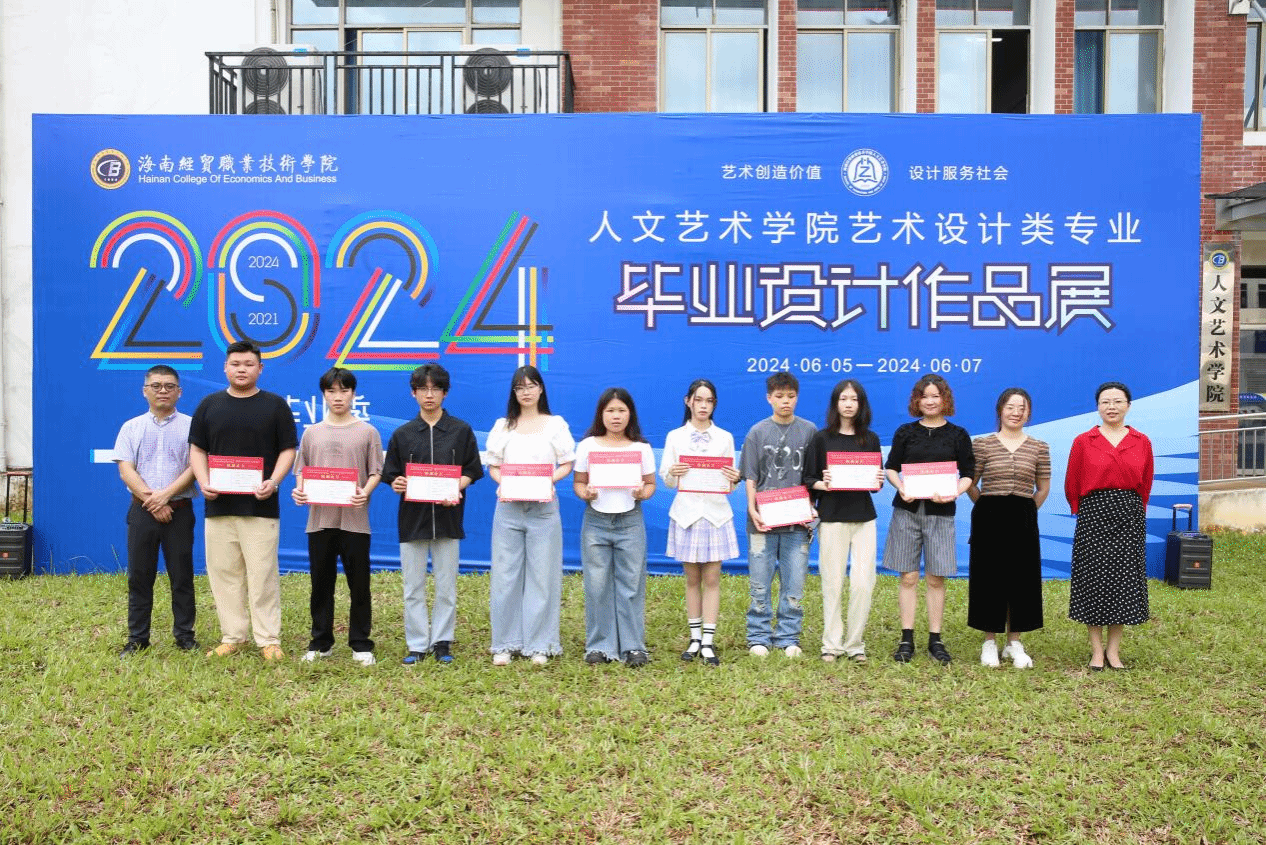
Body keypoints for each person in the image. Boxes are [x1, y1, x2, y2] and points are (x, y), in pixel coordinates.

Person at [189, 340, 298, 661]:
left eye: (249, 364)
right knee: (224, 574)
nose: (241, 369)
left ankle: (268, 639)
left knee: (263, 575)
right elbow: (197, 449)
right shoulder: (209, 405)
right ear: (225, 367)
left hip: (260, 507)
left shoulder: (275, 406)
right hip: (218, 506)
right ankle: (233, 636)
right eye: (235, 364)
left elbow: (288, 450)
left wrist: (273, 482)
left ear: (260, 368)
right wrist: (204, 481)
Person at [381, 364, 483, 666]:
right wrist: (396, 483)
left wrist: (456, 486)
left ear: (445, 392)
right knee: (413, 586)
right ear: (413, 393)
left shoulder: (461, 430)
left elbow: (472, 469)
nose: (429, 395)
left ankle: (442, 641)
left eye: (435, 388)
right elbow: (392, 474)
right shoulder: (402, 434)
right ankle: (416, 644)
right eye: (423, 389)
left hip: (449, 518)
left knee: (446, 587)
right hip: (412, 519)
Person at [291, 367, 383, 666]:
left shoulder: (367, 431)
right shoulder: (312, 432)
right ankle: (320, 643)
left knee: (359, 584)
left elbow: (376, 471)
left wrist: (364, 492)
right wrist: (299, 492)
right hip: (319, 521)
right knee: (321, 584)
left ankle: (361, 643)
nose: (338, 397)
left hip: (355, 521)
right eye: (332, 391)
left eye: (344, 390)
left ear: (353, 394)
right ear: (324, 395)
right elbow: (302, 471)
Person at [484, 365, 575, 666]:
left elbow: (567, 463)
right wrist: (506, 483)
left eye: (531, 386)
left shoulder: (555, 425)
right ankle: (505, 644)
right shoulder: (503, 426)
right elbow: (493, 466)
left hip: (544, 509)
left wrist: (547, 480)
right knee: (505, 575)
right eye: (520, 387)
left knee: (543, 575)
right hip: (509, 508)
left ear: (541, 389)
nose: (526, 392)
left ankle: (540, 644)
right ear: (514, 392)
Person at [883, 374, 975, 665]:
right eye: (925, 396)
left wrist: (954, 492)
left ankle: (936, 638)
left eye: (936, 395)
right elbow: (891, 468)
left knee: (936, 578)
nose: (931, 401)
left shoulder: (958, 434)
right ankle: (906, 637)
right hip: (907, 511)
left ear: (945, 399)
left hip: (941, 513)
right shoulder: (905, 432)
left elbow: (969, 474)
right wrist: (901, 487)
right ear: (917, 401)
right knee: (908, 576)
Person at [1065, 381, 1154, 671]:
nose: (1111, 407)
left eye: (1117, 401)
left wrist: (1135, 510)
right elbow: (1072, 481)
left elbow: (1146, 482)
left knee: (1122, 583)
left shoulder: (1141, 441)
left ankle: (1113, 651)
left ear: (1128, 405)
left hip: (1129, 515)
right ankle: (1096, 651)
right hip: (1093, 515)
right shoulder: (1083, 441)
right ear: (1097, 407)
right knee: (1093, 581)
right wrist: (1082, 511)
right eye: (1105, 402)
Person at [112, 365, 198, 656]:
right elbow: (126, 469)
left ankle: (185, 636)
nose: (163, 391)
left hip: (180, 511)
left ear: (179, 392)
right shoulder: (131, 427)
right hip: (142, 512)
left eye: (169, 386)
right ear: (145, 391)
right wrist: (154, 501)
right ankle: (137, 639)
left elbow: (195, 468)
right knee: (139, 576)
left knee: (182, 576)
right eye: (156, 386)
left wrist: (166, 496)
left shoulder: (192, 426)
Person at [966, 387, 1051, 669]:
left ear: (1029, 413)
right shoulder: (982, 444)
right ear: (1000, 410)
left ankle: (1014, 642)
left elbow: (1043, 487)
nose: (1016, 412)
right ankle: (989, 641)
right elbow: (970, 483)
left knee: (1022, 578)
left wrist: (1025, 510)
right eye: (1010, 407)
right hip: (988, 514)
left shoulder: (1039, 447)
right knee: (988, 577)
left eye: (1022, 408)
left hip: (1023, 515)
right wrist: (987, 505)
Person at [573, 387, 657, 667]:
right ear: (601, 414)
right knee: (597, 585)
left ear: (630, 414)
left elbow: (650, 484)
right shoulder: (588, 446)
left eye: (621, 410)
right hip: (596, 521)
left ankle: (633, 647)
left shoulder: (641, 448)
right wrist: (586, 493)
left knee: (631, 584)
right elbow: (579, 482)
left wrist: (642, 493)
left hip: (630, 520)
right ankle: (599, 646)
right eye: (610, 410)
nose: (616, 416)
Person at [802, 379, 884, 664]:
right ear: (835, 403)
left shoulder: (870, 439)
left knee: (863, 583)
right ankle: (832, 644)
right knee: (832, 582)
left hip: (864, 519)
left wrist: (878, 480)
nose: (849, 404)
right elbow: (808, 479)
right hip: (832, 517)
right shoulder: (821, 438)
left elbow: (875, 484)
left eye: (854, 399)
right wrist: (823, 484)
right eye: (843, 399)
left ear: (861, 404)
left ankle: (855, 644)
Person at [660, 379, 740, 666]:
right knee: (692, 579)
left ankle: (708, 640)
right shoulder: (675, 437)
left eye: (709, 401)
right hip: (686, 514)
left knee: (712, 578)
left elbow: (729, 483)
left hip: (716, 515)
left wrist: (734, 478)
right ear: (688, 401)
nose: (703, 406)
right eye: (699, 400)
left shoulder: (725, 438)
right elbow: (668, 480)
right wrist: (673, 471)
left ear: (714, 404)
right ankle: (694, 638)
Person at [740, 372, 818, 658]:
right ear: (769, 398)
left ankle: (788, 636)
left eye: (791, 396)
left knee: (794, 583)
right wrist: (752, 508)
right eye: (779, 396)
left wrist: (813, 507)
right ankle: (758, 635)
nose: (786, 401)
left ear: (797, 397)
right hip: (763, 520)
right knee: (759, 582)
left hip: (798, 522)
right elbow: (750, 476)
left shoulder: (809, 431)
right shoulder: (757, 432)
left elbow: (813, 475)